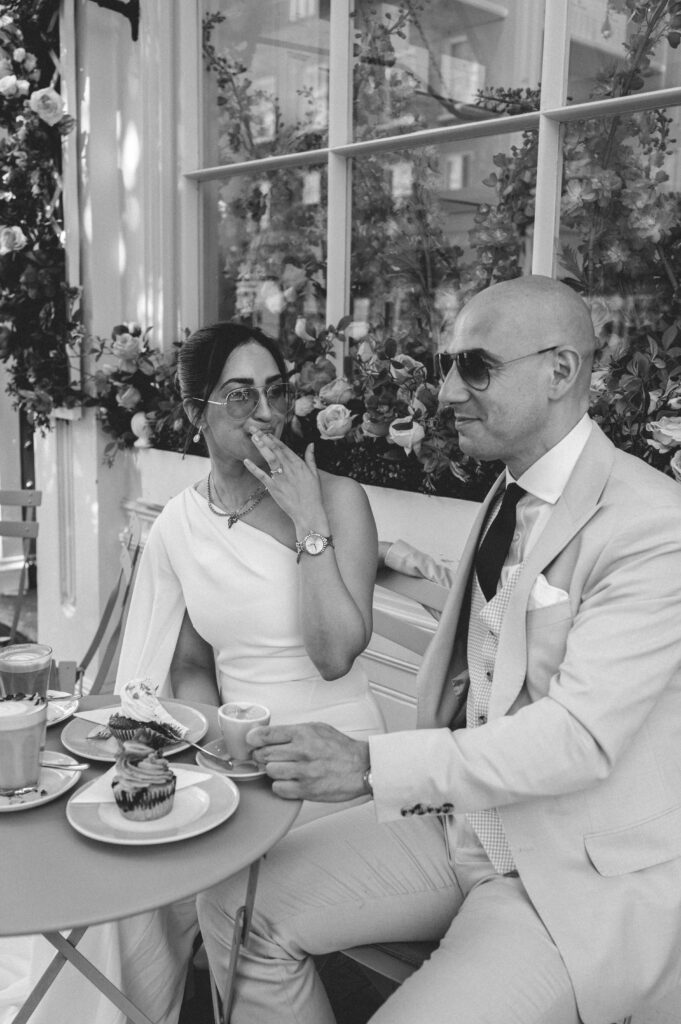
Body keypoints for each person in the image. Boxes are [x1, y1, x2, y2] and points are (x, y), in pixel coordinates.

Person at [195, 275, 681, 1024]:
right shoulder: (510, 491)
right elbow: (511, 629)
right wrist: (380, 555)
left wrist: (364, 763)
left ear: (561, 373)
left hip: (563, 874)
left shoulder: (654, 526)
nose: (447, 392)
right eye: (446, 365)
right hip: (460, 821)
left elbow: (576, 740)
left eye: (475, 367)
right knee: (234, 904)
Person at [0, 321, 384, 1024]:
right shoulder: (180, 522)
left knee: (222, 898)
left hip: (339, 763)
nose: (265, 414)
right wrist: (215, 745)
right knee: (126, 876)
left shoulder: (338, 498)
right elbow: (187, 661)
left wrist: (306, 519)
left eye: (274, 392)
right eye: (239, 396)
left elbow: (335, 655)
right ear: (194, 412)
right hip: (244, 762)